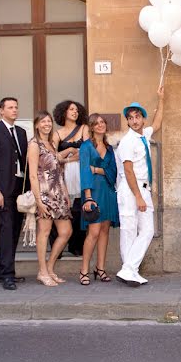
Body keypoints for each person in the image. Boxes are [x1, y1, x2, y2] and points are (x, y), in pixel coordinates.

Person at [115, 87, 164, 287]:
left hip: (142, 189)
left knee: (146, 230)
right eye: (130, 118)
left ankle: (129, 270)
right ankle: (130, 271)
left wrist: (161, 99)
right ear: (127, 121)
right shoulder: (127, 141)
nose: (134, 121)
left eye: (137, 117)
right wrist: (138, 197)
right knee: (129, 230)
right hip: (131, 190)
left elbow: (158, 121)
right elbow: (128, 171)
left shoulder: (144, 135)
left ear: (142, 119)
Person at [0, 97, 29, 290]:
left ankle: (1, 270)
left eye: (16, 107)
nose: (14, 110)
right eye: (10, 107)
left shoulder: (21, 132)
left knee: (14, 229)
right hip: (2, 189)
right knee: (7, 229)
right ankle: (8, 275)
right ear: (1, 110)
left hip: (19, 187)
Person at [28, 111, 72, 287]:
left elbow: (58, 169)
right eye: (43, 121)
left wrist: (66, 192)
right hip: (44, 194)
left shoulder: (52, 143)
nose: (47, 124)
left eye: (49, 121)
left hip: (59, 193)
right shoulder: (34, 144)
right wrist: (38, 201)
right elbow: (32, 175)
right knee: (44, 233)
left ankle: (49, 268)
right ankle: (43, 271)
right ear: (37, 125)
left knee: (66, 231)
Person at [79, 113, 119, 285]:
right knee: (93, 232)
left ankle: (100, 268)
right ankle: (84, 270)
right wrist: (88, 198)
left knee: (104, 231)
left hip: (108, 191)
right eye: (97, 123)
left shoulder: (110, 148)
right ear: (92, 127)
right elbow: (84, 171)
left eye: (102, 122)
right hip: (93, 192)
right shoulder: (86, 147)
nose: (100, 125)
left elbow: (113, 172)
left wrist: (97, 169)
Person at [53, 100, 89, 257]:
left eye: (76, 109)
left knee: (79, 210)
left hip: (81, 173)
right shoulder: (57, 133)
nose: (75, 112)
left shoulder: (84, 129)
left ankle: (76, 245)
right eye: (71, 109)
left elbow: (86, 152)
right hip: (63, 174)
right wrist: (70, 152)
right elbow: (53, 157)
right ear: (64, 112)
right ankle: (57, 246)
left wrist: (66, 155)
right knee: (62, 209)